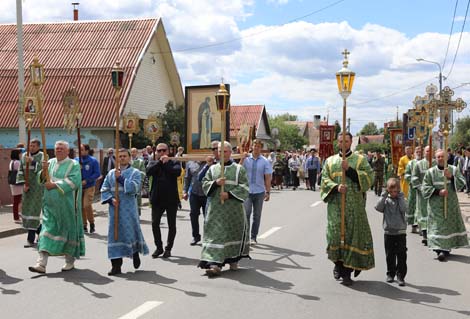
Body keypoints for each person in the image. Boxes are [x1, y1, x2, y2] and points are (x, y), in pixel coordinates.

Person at [320, 132, 375, 286]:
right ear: (337, 143)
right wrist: (336, 187)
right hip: (335, 206)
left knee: (351, 237)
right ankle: (338, 264)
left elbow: (370, 178)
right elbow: (324, 180)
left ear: (351, 142)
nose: (343, 143)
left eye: (346, 141)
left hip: (354, 206)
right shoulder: (330, 161)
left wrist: (350, 170)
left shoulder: (360, 160)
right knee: (335, 236)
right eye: (340, 141)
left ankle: (347, 273)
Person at [28, 141, 85, 274]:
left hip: (67, 206)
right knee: (45, 232)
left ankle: (69, 260)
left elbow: (74, 181)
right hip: (50, 205)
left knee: (68, 231)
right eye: (56, 149)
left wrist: (54, 185)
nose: (58, 151)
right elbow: (40, 179)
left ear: (67, 151)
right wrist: (43, 172)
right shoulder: (50, 162)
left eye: (61, 149)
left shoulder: (73, 164)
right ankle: (41, 263)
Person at [199, 141, 250, 277]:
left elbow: (245, 187)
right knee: (216, 235)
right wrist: (215, 183)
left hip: (233, 211)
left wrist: (229, 194)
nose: (222, 154)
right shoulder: (213, 169)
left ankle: (233, 259)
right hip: (216, 210)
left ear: (230, 152)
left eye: (225, 152)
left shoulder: (239, 169)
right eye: (220, 151)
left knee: (231, 235)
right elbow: (204, 183)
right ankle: (215, 264)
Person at [101, 148, 149, 275]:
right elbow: (104, 188)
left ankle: (134, 252)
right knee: (114, 235)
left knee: (130, 232)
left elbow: (135, 188)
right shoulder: (111, 173)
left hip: (129, 209)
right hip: (115, 209)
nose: (122, 158)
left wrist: (121, 179)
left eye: (124, 156)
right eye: (120, 156)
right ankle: (116, 266)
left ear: (129, 158)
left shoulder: (135, 172)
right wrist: (110, 200)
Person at [422, 149, 469, 261]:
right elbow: (425, 188)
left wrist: (451, 177)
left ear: (447, 157)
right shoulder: (431, 172)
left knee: (447, 227)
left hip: (450, 205)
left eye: (442, 156)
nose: (440, 159)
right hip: (435, 206)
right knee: (438, 227)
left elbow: (462, 182)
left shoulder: (453, 169)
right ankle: (439, 250)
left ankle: (445, 249)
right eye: (438, 157)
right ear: (435, 158)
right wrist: (438, 192)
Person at [146, 143, 181, 258]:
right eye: (159, 151)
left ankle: (168, 248)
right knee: (155, 223)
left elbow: (176, 172)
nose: (161, 153)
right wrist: (160, 162)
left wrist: (165, 163)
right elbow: (149, 171)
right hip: (157, 199)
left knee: (172, 225)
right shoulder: (153, 162)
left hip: (171, 199)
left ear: (168, 151)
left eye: (163, 150)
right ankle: (159, 247)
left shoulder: (174, 161)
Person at [375, 178, 408, 286]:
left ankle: (400, 276)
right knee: (390, 255)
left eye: (396, 191)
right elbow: (378, 207)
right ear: (388, 190)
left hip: (400, 232)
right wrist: (384, 195)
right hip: (389, 232)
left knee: (401, 255)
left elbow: (404, 209)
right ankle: (390, 273)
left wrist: (400, 196)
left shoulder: (401, 199)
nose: (394, 193)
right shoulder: (386, 200)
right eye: (391, 191)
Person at [240, 139, 272, 244]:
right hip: (247, 191)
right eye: (255, 146)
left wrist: (268, 192)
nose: (256, 148)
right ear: (252, 146)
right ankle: (246, 237)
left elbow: (267, 177)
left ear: (261, 148)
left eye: (258, 146)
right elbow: (238, 170)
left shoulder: (265, 161)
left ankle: (253, 237)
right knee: (247, 214)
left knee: (257, 215)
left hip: (259, 191)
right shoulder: (246, 158)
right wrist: (241, 159)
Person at [17, 139, 44, 247]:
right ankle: (42, 233)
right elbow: (20, 171)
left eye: (34, 146)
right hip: (27, 189)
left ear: (38, 146)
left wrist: (32, 162)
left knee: (34, 213)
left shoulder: (43, 156)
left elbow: (43, 171)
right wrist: (23, 183)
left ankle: (30, 239)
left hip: (38, 189)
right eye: (30, 145)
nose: (31, 147)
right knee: (27, 213)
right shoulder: (24, 156)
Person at [411, 146, 436, 246]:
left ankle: (433, 234)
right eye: (427, 151)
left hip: (435, 194)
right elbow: (414, 178)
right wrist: (421, 189)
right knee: (424, 213)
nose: (429, 152)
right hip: (422, 195)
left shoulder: (436, 163)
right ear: (424, 152)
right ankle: (425, 235)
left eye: (431, 151)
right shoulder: (419, 164)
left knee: (434, 214)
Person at [183, 158, 208, 246]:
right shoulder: (190, 162)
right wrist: (185, 191)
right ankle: (196, 236)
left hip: (207, 194)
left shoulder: (210, 162)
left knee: (208, 217)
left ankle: (208, 237)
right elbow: (187, 178)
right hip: (194, 193)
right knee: (193, 215)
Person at [76, 144, 100, 234]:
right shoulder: (76, 160)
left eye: (82, 149)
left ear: (86, 150)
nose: (80, 151)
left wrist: (87, 180)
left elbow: (97, 173)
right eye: (79, 149)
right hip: (79, 186)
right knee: (80, 206)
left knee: (87, 204)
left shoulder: (93, 161)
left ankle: (92, 223)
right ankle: (84, 225)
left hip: (89, 186)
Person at [404, 146, 422, 233]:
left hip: (423, 190)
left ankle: (423, 227)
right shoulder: (411, 163)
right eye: (417, 152)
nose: (419, 153)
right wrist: (412, 181)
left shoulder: (426, 163)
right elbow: (406, 174)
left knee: (422, 208)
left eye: (420, 151)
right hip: (413, 189)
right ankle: (414, 225)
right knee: (413, 207)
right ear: (414, 153)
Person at [9, 149, 23, 222]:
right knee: (17, 201)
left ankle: (18, 214)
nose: (21, 155)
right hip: (18, 183)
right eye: (20, 153)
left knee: (17, 200)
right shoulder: (17, 162)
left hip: (13, 183)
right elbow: (21, 171)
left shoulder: (12, 162)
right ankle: (16, 217)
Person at [130, 147, 146, 215]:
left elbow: (143, 172)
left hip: (137, 182)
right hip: (128, 183)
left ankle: (137, 213)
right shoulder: (128, 161)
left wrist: (141, 181)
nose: (133, 153)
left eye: (134, 152)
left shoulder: (140, 161)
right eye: (132, 152)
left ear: (137, 153)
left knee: (137, 197)